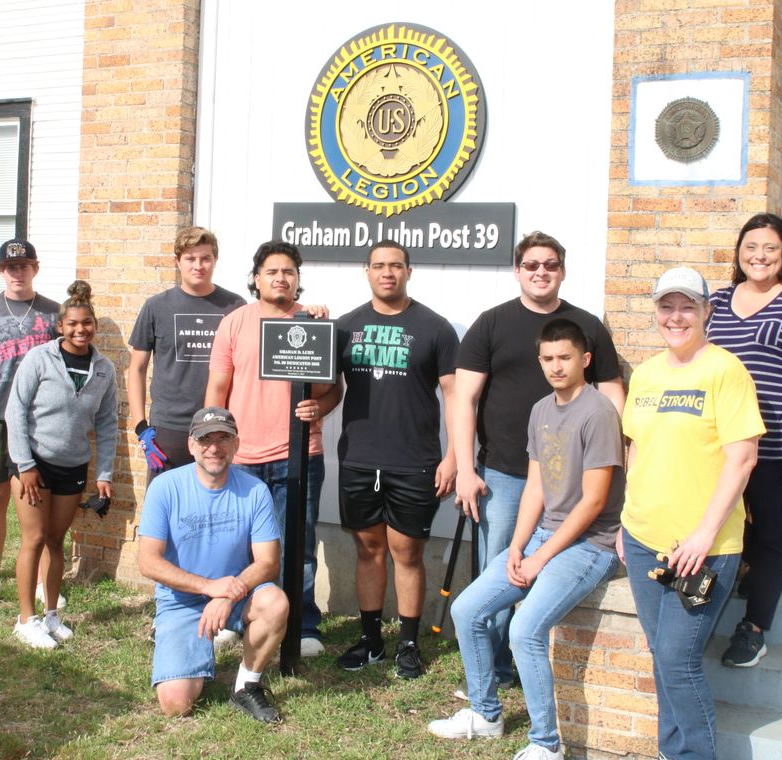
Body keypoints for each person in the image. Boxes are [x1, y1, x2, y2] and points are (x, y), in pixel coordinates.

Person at [429, 319, 623, 758]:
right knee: (467, 609)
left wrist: (540, 558)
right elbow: (536, 487)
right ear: (540, 361)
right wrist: (518, 545)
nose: (556, 367)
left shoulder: (599, 413)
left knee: (525, 629)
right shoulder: (541, 410)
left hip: (591, 545)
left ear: (585, 360)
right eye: (549, 359)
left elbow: (592, 503)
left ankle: (546, 744)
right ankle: (485, 713)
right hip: (542, 535)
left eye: (565, 358)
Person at [450, 230, 624, 689]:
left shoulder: (586, 325)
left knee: (534, 570)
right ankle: (493, 669)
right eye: (532, 265)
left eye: (550, 264)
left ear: (562, 271)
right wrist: (466, 469)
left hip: (576, 478)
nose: (541, 272)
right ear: (517, 271)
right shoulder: (491, 323)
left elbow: (612, 393)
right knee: (502, 569)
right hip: (509, 474)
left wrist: (610, 458)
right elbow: (463, 398)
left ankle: (516, 661)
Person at [618, 267, 764, 760]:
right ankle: (670, 752)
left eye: (686, 306)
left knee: (679, 661)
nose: (675, 317)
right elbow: (637, 446)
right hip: (643, 539)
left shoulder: (725, 370)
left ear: (706, 311)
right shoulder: (647, 373)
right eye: (666, 306)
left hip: (704, 546)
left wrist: (704, 534)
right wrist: (624, 519)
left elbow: (742, 457)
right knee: (662, 657)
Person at [707, 213, 782, 668]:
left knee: (772, 537)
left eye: (770, 249)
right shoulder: (718, 302)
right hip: (722, 444)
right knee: (728, 526)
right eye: (751, 247)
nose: (759, 256)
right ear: (739, 252)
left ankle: (754, 629)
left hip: (779, 443)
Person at [332, 240, 459, 679]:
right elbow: (328, 387)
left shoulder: (435, 328)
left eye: (396, 266)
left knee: (406, 552)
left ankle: (407, 642)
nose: (388, 273)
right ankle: (371, 641)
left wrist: (455, 457)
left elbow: (457, 396)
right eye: (379, 266)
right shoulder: (346, 327)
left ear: (409, 271)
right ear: (366, 271)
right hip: (360, 458)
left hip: (415, 461)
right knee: (368, 549)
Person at [205, 240, 336, 658]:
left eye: (289, 272)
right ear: (257, 278)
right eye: (272, 271)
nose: (281, 278)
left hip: (298, 454)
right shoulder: (235, 323)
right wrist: (213, 438)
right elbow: (217, 389)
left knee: (298, 543)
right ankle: (235, 616)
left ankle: (302, 624)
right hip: (242, 457)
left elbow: (335, 390)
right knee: (236, 544)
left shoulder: (313, 323)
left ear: (297, 280)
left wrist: (320, 407)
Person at [137, 406, 289, 723]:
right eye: (205, 439)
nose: (214, 448)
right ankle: (189, 648)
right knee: (175, 705)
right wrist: (207, 587)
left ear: (236, 445)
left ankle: (247, 685)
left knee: (275, 602)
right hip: (182, 600)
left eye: (223, 439)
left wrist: (225, 594)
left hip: (235, 594)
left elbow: (268, 562)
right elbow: (148, 561)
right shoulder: (165, 488)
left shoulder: (255, 491)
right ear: (191, 445)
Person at [5, 281, 118, 648]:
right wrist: (24, 464)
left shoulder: (104, 369)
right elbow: (16, 411)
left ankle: (51, 615)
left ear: (94, 326)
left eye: (86, 323)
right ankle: (26, 618)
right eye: (72, 324)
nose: (79, 330)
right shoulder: (40, 359)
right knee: (34, 538)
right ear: (60, 327)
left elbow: (106, 423)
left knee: (56, 541)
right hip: (33, 463)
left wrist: (103, 474)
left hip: (72, 465)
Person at [0, 239, 61, 610]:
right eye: (10, 267)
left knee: (38, 504)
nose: (17, 273)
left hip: (39, 420)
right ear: (1, 271)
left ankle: (39, 582)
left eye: (24, 266)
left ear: (36, 268)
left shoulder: (53, 313)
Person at [127, 226, 245, 481]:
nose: (198, 265)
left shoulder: (235, 306)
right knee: (165, 510)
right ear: (177, 262)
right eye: (190, 258)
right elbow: (136, 369)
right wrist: (141, 427)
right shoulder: (156, 306)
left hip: (219, 426)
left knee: (214, 508)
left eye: (205, 258)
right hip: (168, 430)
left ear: (215, 260)